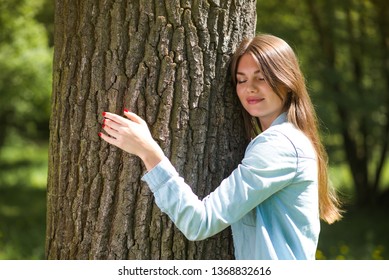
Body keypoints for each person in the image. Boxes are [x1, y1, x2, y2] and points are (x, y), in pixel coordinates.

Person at [99, 34, 342, 260]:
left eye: (262, 77)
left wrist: (148, 152)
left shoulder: (280, 145)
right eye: (241, 80)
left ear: (287, 81)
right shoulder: (290, 139)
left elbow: (199, 222)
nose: (250, 88)